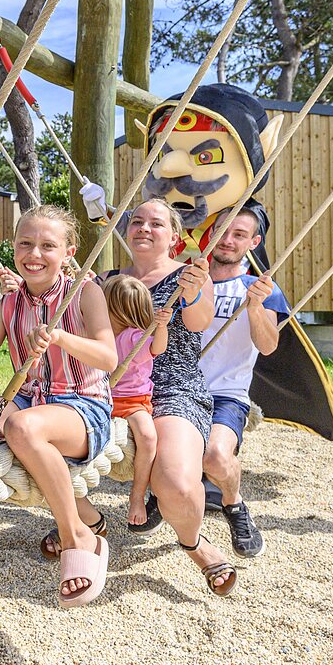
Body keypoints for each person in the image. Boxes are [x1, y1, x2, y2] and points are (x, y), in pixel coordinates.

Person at [0, 204, 117, 606]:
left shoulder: (85, 293)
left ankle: (78, 535)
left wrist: (59, 339)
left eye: (47, 246)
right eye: (25, 244)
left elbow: (108, 359)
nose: (34, 254)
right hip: (26, 399)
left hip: (82, 405)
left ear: (69, 252)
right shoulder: (10, 304)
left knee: (22, 428)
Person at [106, 198, 237, 596]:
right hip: (114, 386)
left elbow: (198, 323)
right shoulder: (106, 279)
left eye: (156, 224)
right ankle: (81, 523)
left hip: (172, 386)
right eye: (137, 221)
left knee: (178, 484)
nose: (144, 228)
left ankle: (194, 543)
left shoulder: (189, 276)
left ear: (175, 238)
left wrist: (195, 293)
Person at [199, 207, 288, 557]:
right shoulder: (189, 279)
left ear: (254, 242)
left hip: (226, 394)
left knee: (215, 455)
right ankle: (163, 497)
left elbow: (268, 346)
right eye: (222, 229)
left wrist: (253, 308)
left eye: (239, 234)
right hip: (178, 390)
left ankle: (234, 505)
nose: (228, 239)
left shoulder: (259, 288)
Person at [104, 275, 171, 530]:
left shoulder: (136, 338)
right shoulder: (98, 334)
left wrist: (161, 327)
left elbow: (158, 348)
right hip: (101, 397)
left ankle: (137, 495)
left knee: (148, 437)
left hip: (133, 401)